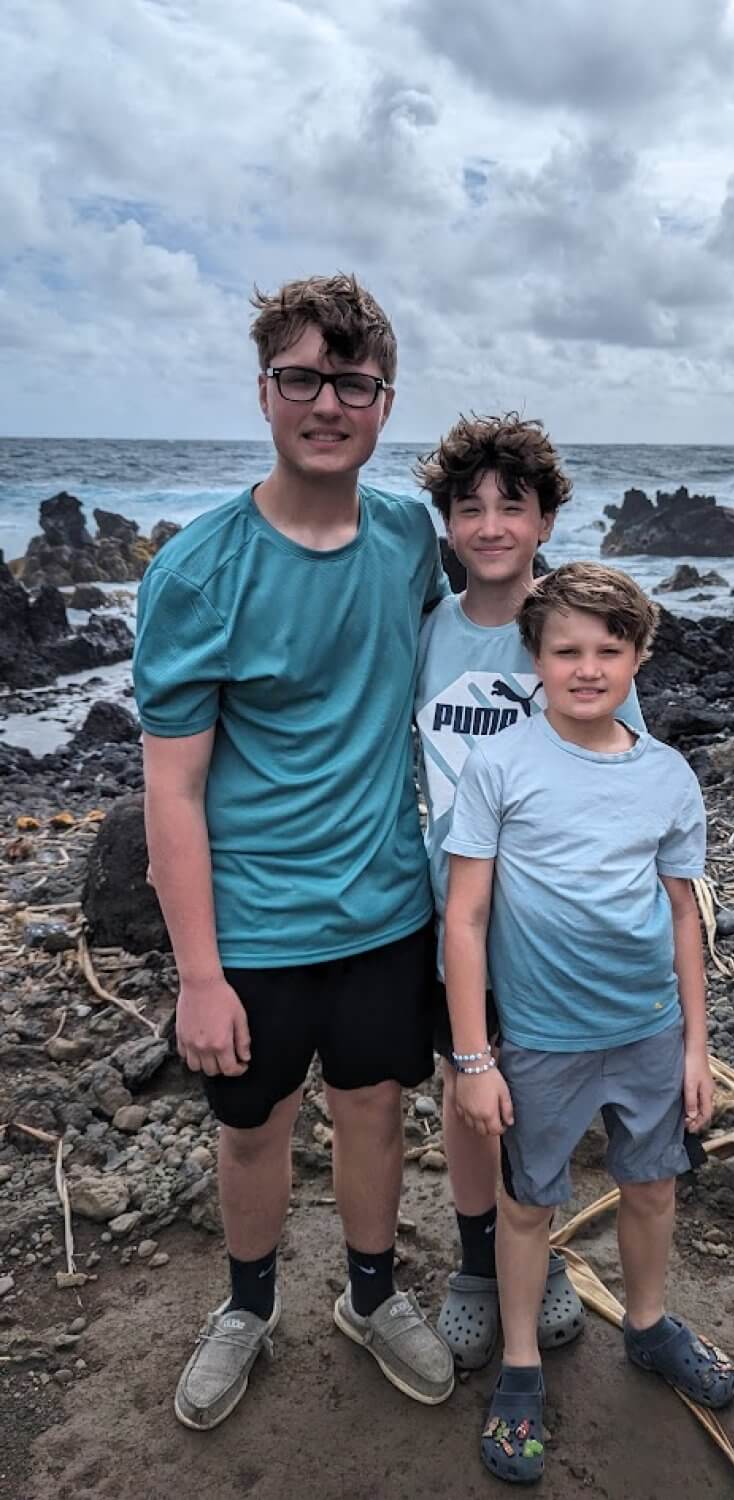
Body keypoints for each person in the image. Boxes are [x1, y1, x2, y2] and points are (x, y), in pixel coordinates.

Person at [133, 274, 455, 1431]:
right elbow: (170, 790)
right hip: (253, 923)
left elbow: (487, 635)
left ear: (383, 401)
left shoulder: (413, 536)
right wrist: (198, 976)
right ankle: (247, 1309)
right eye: (304, 378)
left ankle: (371, 1297)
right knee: (253, 1126)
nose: (329, 402)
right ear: (264, 389)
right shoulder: (196, 572)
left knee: (374, 1110)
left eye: (353, 382)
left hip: (384, 907)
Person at [443, 562, 734, 1485]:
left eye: (609, 649)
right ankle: (522, 1364)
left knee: (652, 1187)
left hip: (649, 1031)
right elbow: (467, 917)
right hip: (539, 1040)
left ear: (639, 659)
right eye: (565, 649)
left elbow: (685, 914)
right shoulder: (499, 764)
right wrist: (474, 1056)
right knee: (528, 1205)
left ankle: (647, 1324)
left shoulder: (667, 774)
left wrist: (698, 1046)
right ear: (533, 658)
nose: (586, 667)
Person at [414, 416, 644, 1369]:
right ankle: (478, 1263)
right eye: (470, 507)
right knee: (469, 1095)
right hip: (453, 923)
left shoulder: (574, 637)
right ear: (448, 524)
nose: (492, 523)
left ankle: (534, 1251)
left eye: (514, 504)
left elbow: (622, 774)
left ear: (547, 519)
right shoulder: (427, 630)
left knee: (545, 1106)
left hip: (551, 931)